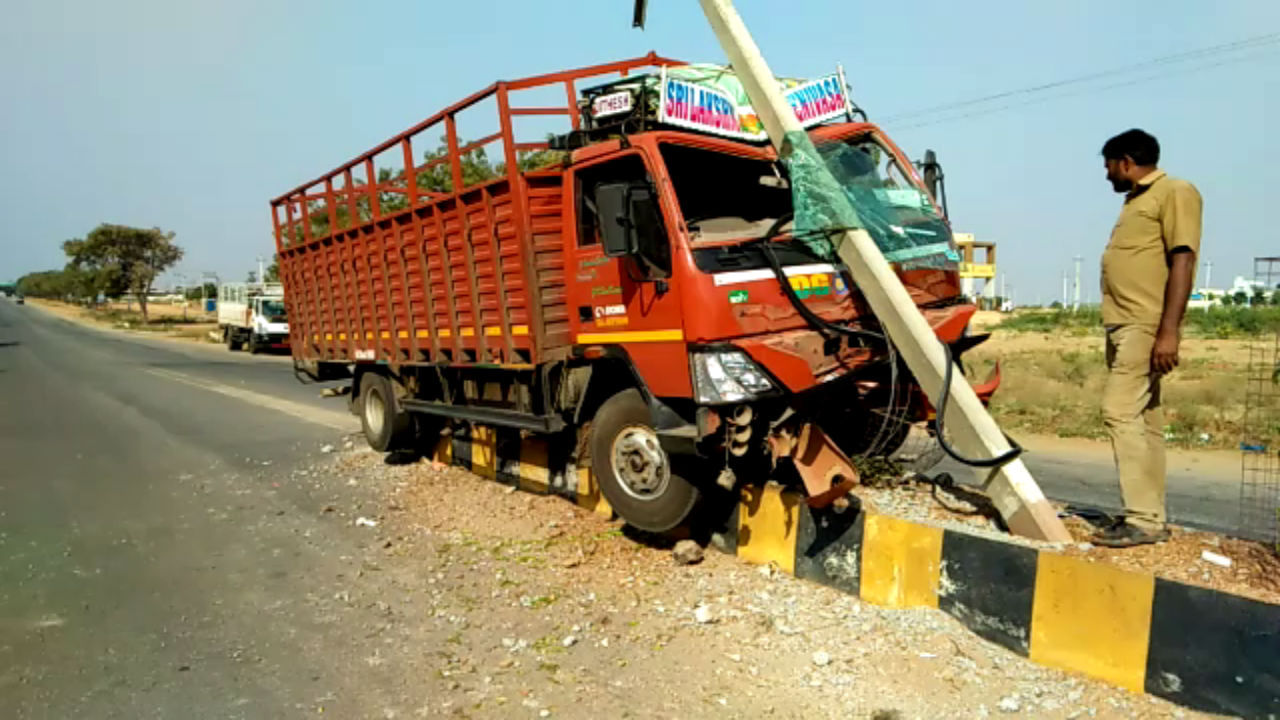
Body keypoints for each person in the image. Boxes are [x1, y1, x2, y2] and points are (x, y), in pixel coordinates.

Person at [1094, 129, 1202, 548]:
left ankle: (1142, 519)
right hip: (1123, 324)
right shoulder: (1137, 200)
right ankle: (1150, 515)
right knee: (1144, 419)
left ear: (1125, 161)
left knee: (1117, 411)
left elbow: (1184, 259)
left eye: (1108, 167)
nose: (1106, 176)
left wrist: (1168, 332)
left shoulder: (1175, 191)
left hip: (1146, 324)